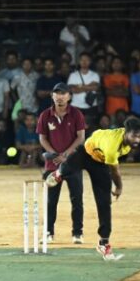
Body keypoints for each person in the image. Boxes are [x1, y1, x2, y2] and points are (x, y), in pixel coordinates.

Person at [45, 116, 140, 261]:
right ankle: (58, 174)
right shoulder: (112, 147)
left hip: (100, 162)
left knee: (104, 203)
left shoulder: (135, 132)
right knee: (69, 165)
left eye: (139, 136)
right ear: (126, 133)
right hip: (86, 152)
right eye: (134, 136)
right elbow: (115, 172)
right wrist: (119, 187)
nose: (137, 140)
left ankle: (103, 243)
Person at [36, 83, 87, 243]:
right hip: (52, 165)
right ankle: (48, 233)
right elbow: (42, 138)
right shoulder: (45, 115)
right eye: (57, 93)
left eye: (63, 94)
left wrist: (65, 155)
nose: (60, 97)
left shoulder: (76, 114)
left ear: (69, 96)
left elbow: (81, 137)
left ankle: (77, 233)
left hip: (73, 163)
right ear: (52, 96)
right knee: (51, 201)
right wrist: (54, 154)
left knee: (76, 199)